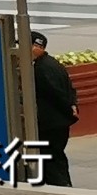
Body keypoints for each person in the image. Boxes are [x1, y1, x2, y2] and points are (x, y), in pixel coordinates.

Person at [32, 30, 80, 186]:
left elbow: (56, 94)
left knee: (51, 158)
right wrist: (72, 107)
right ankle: (65, 188)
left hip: (51, 123)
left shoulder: (41, 69)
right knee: (56, 157)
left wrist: (69, 109)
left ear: (36, 47)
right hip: (59, 122)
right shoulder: (52, 63)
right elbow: (70, 88)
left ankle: (61, 190)